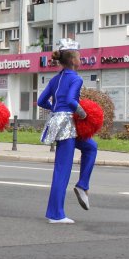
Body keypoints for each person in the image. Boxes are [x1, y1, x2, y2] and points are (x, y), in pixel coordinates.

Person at [38, 38, 90, 224]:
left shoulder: (55, 78)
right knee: (62, 169)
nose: (81, 59)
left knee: (90, 146)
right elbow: (70, 100)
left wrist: (55, 110)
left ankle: (83, 185)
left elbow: (41, 101)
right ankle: (56, 214)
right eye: (79, 56)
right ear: (73, 59)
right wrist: (83, 114)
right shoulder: (76, 78)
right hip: (67, 123)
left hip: (58, 121)